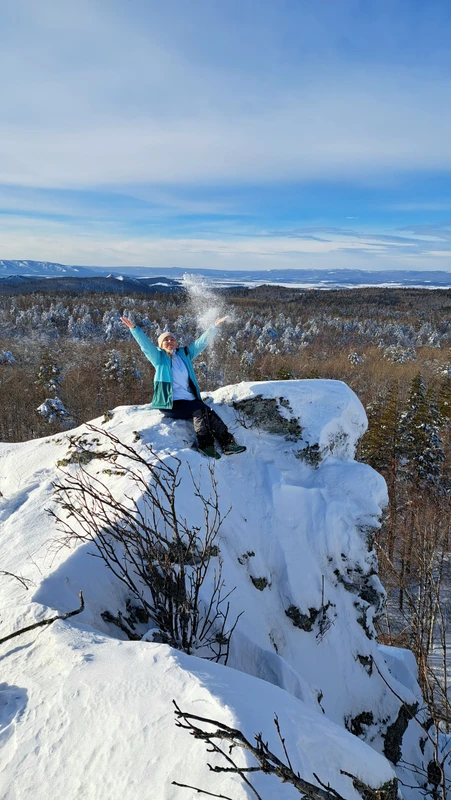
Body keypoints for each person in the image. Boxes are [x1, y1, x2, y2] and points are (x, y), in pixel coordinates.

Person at [120, 316, 246, 459]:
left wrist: (214, 327)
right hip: (171, 403)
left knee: (209, 412)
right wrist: (134, 329)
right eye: (166, 340)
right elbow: (145, 345)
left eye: (172, 339)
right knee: (200, 410)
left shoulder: (184, 354)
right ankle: (205, 446)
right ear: (161, 344)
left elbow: (200, 344)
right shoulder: (158, 357)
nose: (170, 341)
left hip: (189, 400)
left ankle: (228, 444)